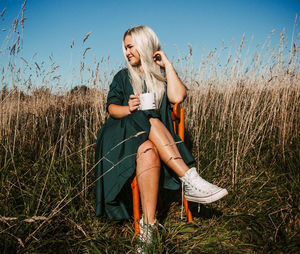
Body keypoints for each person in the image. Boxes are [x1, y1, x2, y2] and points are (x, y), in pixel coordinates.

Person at [95, 25, 228, 244]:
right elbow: (111, 109)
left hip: (152, 144)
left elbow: (178, 97)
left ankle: (148, 229)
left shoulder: (161, 74)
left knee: (148, 150)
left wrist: (167, 64)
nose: (127, 52)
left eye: (131, 46)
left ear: (144, 45)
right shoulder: (121, 77)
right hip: (122, 137)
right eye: (125, 48)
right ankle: (190, 178)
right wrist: (129, 108)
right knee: (148, 116)